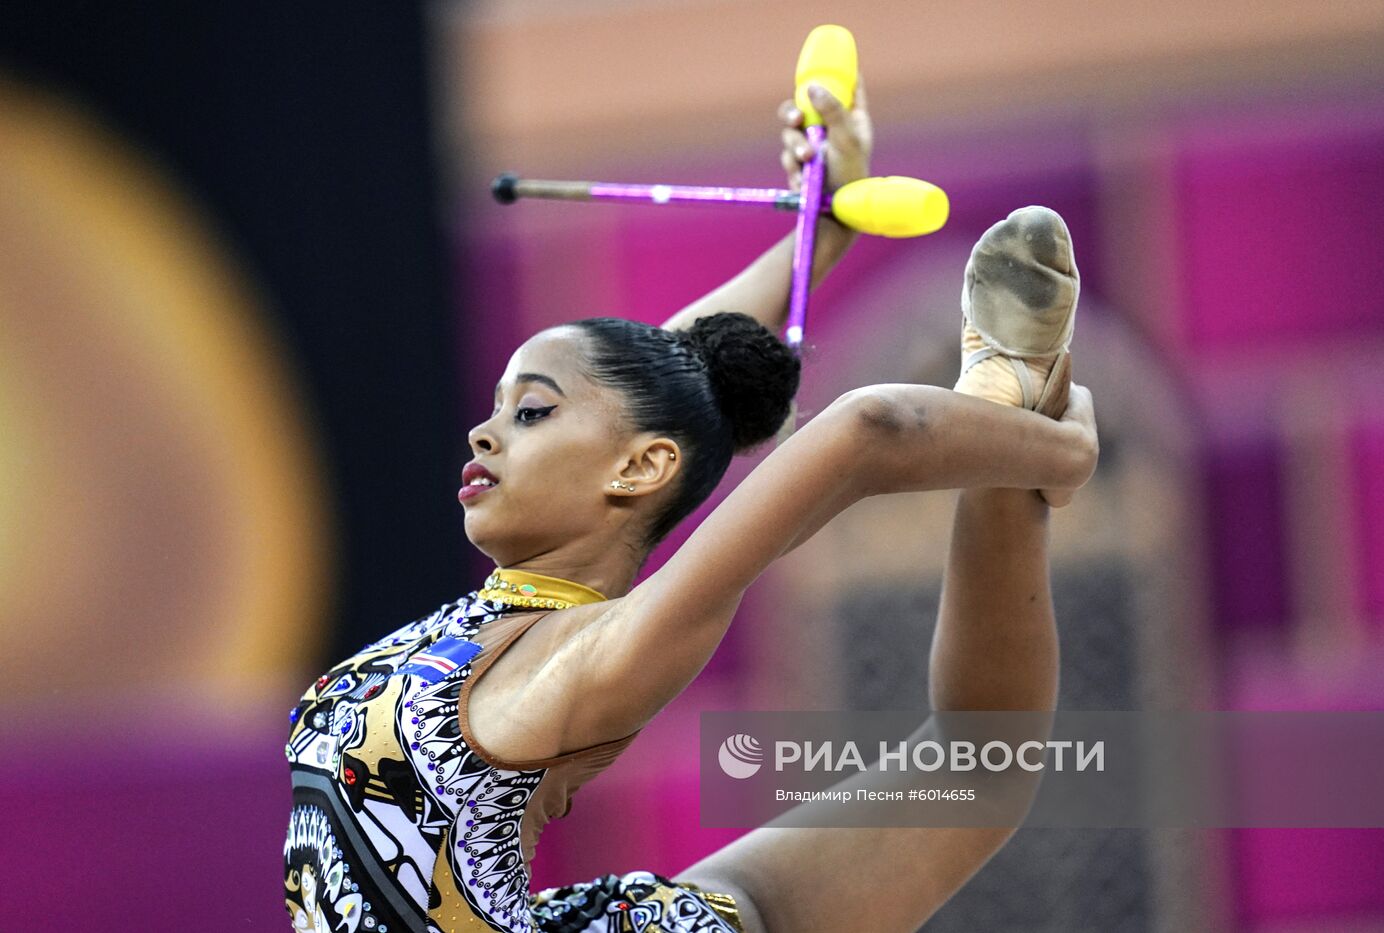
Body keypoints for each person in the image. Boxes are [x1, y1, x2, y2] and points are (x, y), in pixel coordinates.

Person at [283, 73, 1098, 933]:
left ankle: (1011, 400)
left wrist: (1065, 453)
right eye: (496, 413)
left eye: (527, 412)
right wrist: (821, 230)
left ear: (639, 470)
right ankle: (1010, 403)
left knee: (976, 766)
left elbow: (869, 429)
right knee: (976, 770)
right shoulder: (497, 628)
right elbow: (667, 386)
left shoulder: (586, 657)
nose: (483, 435)